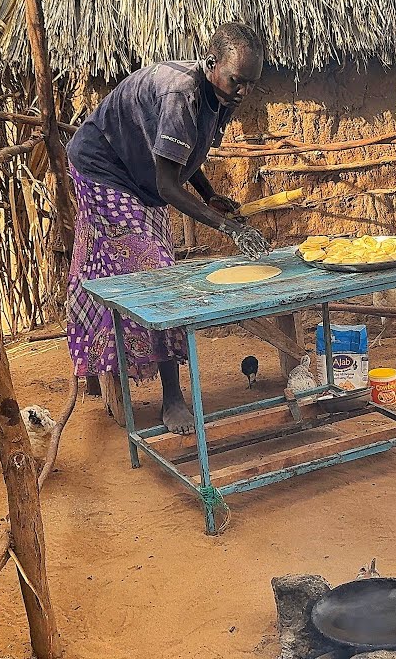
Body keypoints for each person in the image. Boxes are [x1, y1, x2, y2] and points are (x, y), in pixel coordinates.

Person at [65, 22, 272, 435]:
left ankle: (96, 366)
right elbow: (166, 184)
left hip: (141, 174)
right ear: (211, 63)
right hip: (104, 169)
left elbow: (184, 156)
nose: (244, 91)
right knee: (159, 279)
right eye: (237, 80)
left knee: (129, 266)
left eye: (251, 83)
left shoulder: (222, 93)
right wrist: (229, 228)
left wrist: (210, 194)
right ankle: (173, 397)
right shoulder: (180, 94)